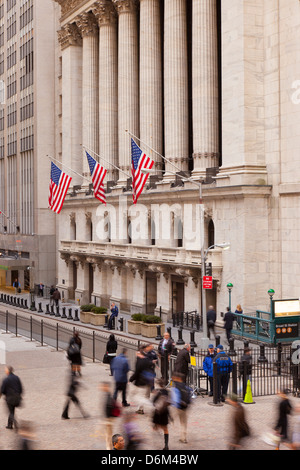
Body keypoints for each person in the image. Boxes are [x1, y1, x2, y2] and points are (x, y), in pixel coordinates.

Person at [129, 345, 155, 414]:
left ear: (139, 353)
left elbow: (137, 372)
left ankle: (150, 405)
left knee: (136, 395)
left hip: (141, 382)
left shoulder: (140, 361)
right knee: (143, 395)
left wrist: (131, 379)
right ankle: (140, 409)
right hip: (147, 381)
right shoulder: (147, 360)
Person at [171, 373, 192, 444]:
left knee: (174, 417)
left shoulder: (176, 387)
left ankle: (171, 421)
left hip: (178, 407)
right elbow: (192, 395)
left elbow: (175, 399)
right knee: (183, 423)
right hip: (185, 408)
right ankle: (183, 438)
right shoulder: (186, 387)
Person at [0, 366, 23, 430]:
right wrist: (19, 395)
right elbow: (21, 388)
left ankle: (14, 422)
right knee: (12, 411)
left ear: (8, 371)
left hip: (9, 398)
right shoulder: (17, 378)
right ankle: (9, 425)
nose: (5, 371)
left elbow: (2, 390)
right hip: (17, 398)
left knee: (11, 412)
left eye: (5, 370)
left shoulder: (6, 379)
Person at [152, 379, 171, 450]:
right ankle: (166, 445)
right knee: (165, 429)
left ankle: (156, 441)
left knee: (155, 426)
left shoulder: (157, 392)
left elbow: (153, 402)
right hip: (165, 412)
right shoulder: (167, 391)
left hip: (157, 412)